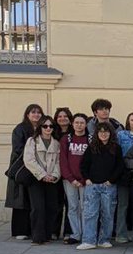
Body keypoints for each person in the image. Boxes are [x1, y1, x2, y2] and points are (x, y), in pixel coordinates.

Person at [79, 122, 124, 250]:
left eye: (106, 131)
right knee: (90, 213)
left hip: (108, 186)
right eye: (100, 132)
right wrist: (87, 179)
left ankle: (104, 239)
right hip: (92, 186)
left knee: (108, 214)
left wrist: (111, 180)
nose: (103, 134)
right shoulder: (91, 148)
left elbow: (120, 166)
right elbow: (84, 165)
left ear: (111, 133)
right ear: (96, 134)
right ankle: (89, 240)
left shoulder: (116, 148)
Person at [6, 103, 43, 239]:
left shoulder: (43, 128)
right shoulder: (20, 128)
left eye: (38, 112)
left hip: (38, 167)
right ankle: (20, 231)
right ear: (27, 114)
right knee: (21, 199)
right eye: (33, 112)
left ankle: (34, 229)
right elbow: (18, 148)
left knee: (34, 200)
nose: (36, 115)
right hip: (23, 166)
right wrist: (32, 157)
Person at [22, 115, 61, 244]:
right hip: (36, 179)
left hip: (51, 180)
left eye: (51, 126)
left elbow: (58, 162)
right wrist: (42, 175)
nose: (48, 128)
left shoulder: (56, 143)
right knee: (38, 208)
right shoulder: (32, 141)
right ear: (40, 127)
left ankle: (48, 234)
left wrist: (54, 175)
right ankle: (38, 237)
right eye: (45, 126)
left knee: (52, 207)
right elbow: (29, 160)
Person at [58, 113, 90, 245]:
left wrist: (83, 179)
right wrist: (71, 179)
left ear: (86, 124)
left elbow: (92, 161)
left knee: (85, 207)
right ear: (72, 124)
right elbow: (63, 161)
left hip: (85, 180)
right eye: (76, 122)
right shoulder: (66, 139)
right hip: (69, 180)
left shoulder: (91, 139)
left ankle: (86, 234)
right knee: (72, 207)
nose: (79, 125)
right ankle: (76, 234)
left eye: (82, 123)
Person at [116, 112, 133, 246]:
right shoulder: (121, 135)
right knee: (123, 205)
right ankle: (121, 234)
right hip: (124, 173)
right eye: (132, 120)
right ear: (128, 121)